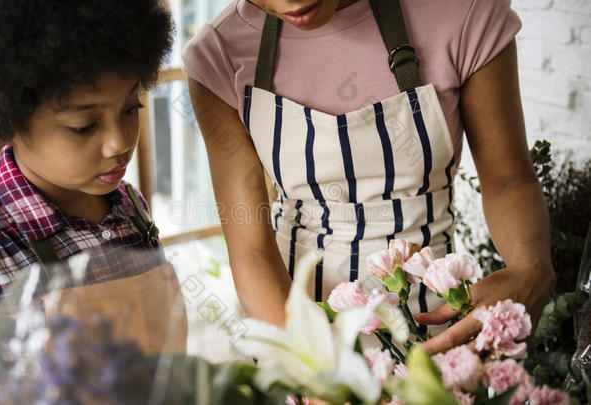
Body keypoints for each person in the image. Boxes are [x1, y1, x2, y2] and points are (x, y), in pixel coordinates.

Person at [182, 0, 556, 352]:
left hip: (437, 331)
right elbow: (250, 248)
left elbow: (508, 179)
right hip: (294, 329)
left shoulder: (461, 12)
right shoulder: (220, 53)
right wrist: (310, 373)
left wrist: (530, 265)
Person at [0, 0, 174, 318]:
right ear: (7, 121)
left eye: (130, 108)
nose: (119, 143)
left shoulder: (130, 205)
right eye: (84, 127)